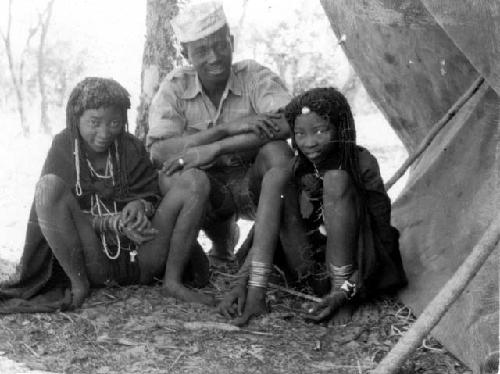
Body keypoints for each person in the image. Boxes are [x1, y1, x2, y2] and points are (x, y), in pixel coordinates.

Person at [0, 77, 212, 313]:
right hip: (93, 261)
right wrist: (111, 223)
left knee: (195, 180)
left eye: (114, 122)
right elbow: (60, 215)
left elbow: (153, 193)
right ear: (75, 119)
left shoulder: (130, 146)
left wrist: (141, 206)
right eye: (94, 122)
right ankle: (79, 285)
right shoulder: (63, 146)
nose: (104, 132)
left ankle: (173, 282)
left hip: (142, 255)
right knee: (47, 187)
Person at [218, 87, 407, 326]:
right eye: (300, 134)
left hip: (354, 278)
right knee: (276, 177)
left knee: (336, 180)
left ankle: (340, 295)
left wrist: (344, 292)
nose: (309, 143)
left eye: (320, 131)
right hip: (307, 270)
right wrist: (242, 283)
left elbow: (382, 242)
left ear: (341, 128)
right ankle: (257, 295)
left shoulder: (362, 164)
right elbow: (265, 230)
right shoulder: (297, 167)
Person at [147, 1, 298, 265]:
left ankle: (269, 254)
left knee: (278, 152)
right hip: (208, 190)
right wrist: (224, 130)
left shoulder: (253, 75)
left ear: (232, 41)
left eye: (220, 45)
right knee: (172, 174)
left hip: (253, 183)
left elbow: (287, 122)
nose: (214, 57)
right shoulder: (175, 87)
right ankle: (212, 247)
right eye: (202, 50)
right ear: (186, 54)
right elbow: (159, 151)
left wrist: (217, 148)